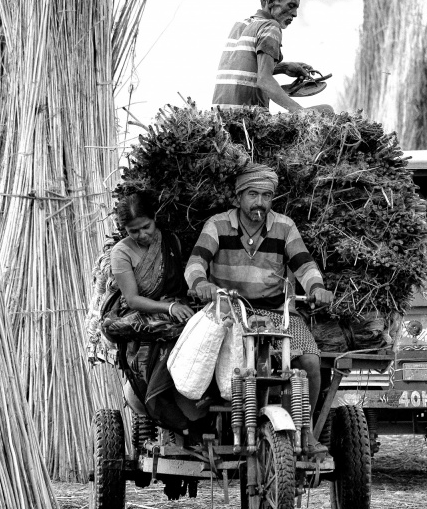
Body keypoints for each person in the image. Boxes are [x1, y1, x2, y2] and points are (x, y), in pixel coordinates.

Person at [185, 163, 335, 455]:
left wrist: (316, 288)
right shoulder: (217, 225)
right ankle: (199, 428)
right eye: (253, 194)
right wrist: (201, 282)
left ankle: (307, 432)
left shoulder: (284, 226)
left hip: (277, 315)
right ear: (238, 196)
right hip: (228, 312)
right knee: (204, 368)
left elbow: (304, 265)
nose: (260, 203)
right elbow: (195, 263)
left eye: (267, 196)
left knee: (311, 364)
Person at [104, 192, 199, 434]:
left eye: (146, 227)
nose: (142, 235)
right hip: (143, 318)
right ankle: (162, 405)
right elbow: (133, 300)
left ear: (155, 218)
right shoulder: (121, 253)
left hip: (175, 308)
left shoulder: (171, 243)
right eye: (133, 231)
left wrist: (180, 305)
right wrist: (169, 308)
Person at [212, 0, 333, 114]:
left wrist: (284, 68)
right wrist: (300, 112)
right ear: (271, 2)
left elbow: (242, 68)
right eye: (291, 6)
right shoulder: (271, 26)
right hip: (248, 119)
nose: (295, 14)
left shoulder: (240, 26)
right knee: (327, 110)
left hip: (221, 116)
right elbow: (264, 80)